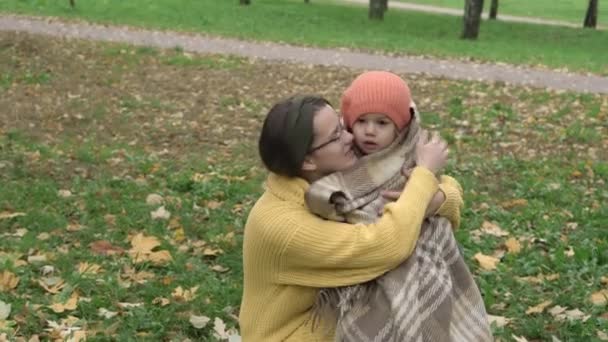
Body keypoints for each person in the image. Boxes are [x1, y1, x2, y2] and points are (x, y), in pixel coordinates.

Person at [239, 94, 461, 341]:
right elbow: (387, 245)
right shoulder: (284, 225)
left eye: (341, 125)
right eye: (336, 136)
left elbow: (448, 191)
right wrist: (423, 175)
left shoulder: (327, 185)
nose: (350, 136)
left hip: (332, 317)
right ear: (308, 160)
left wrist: (436, 200)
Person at [304, 71, 492, 341]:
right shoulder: (342, 156)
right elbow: (327, 194)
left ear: (400, 128)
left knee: (427, 287)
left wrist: (434, 197)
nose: (370, 130)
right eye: (362, 121)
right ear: (348, 123)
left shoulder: (410, 157)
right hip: (370, 251)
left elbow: (443, 190)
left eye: (382, 123)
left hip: (420, 245)